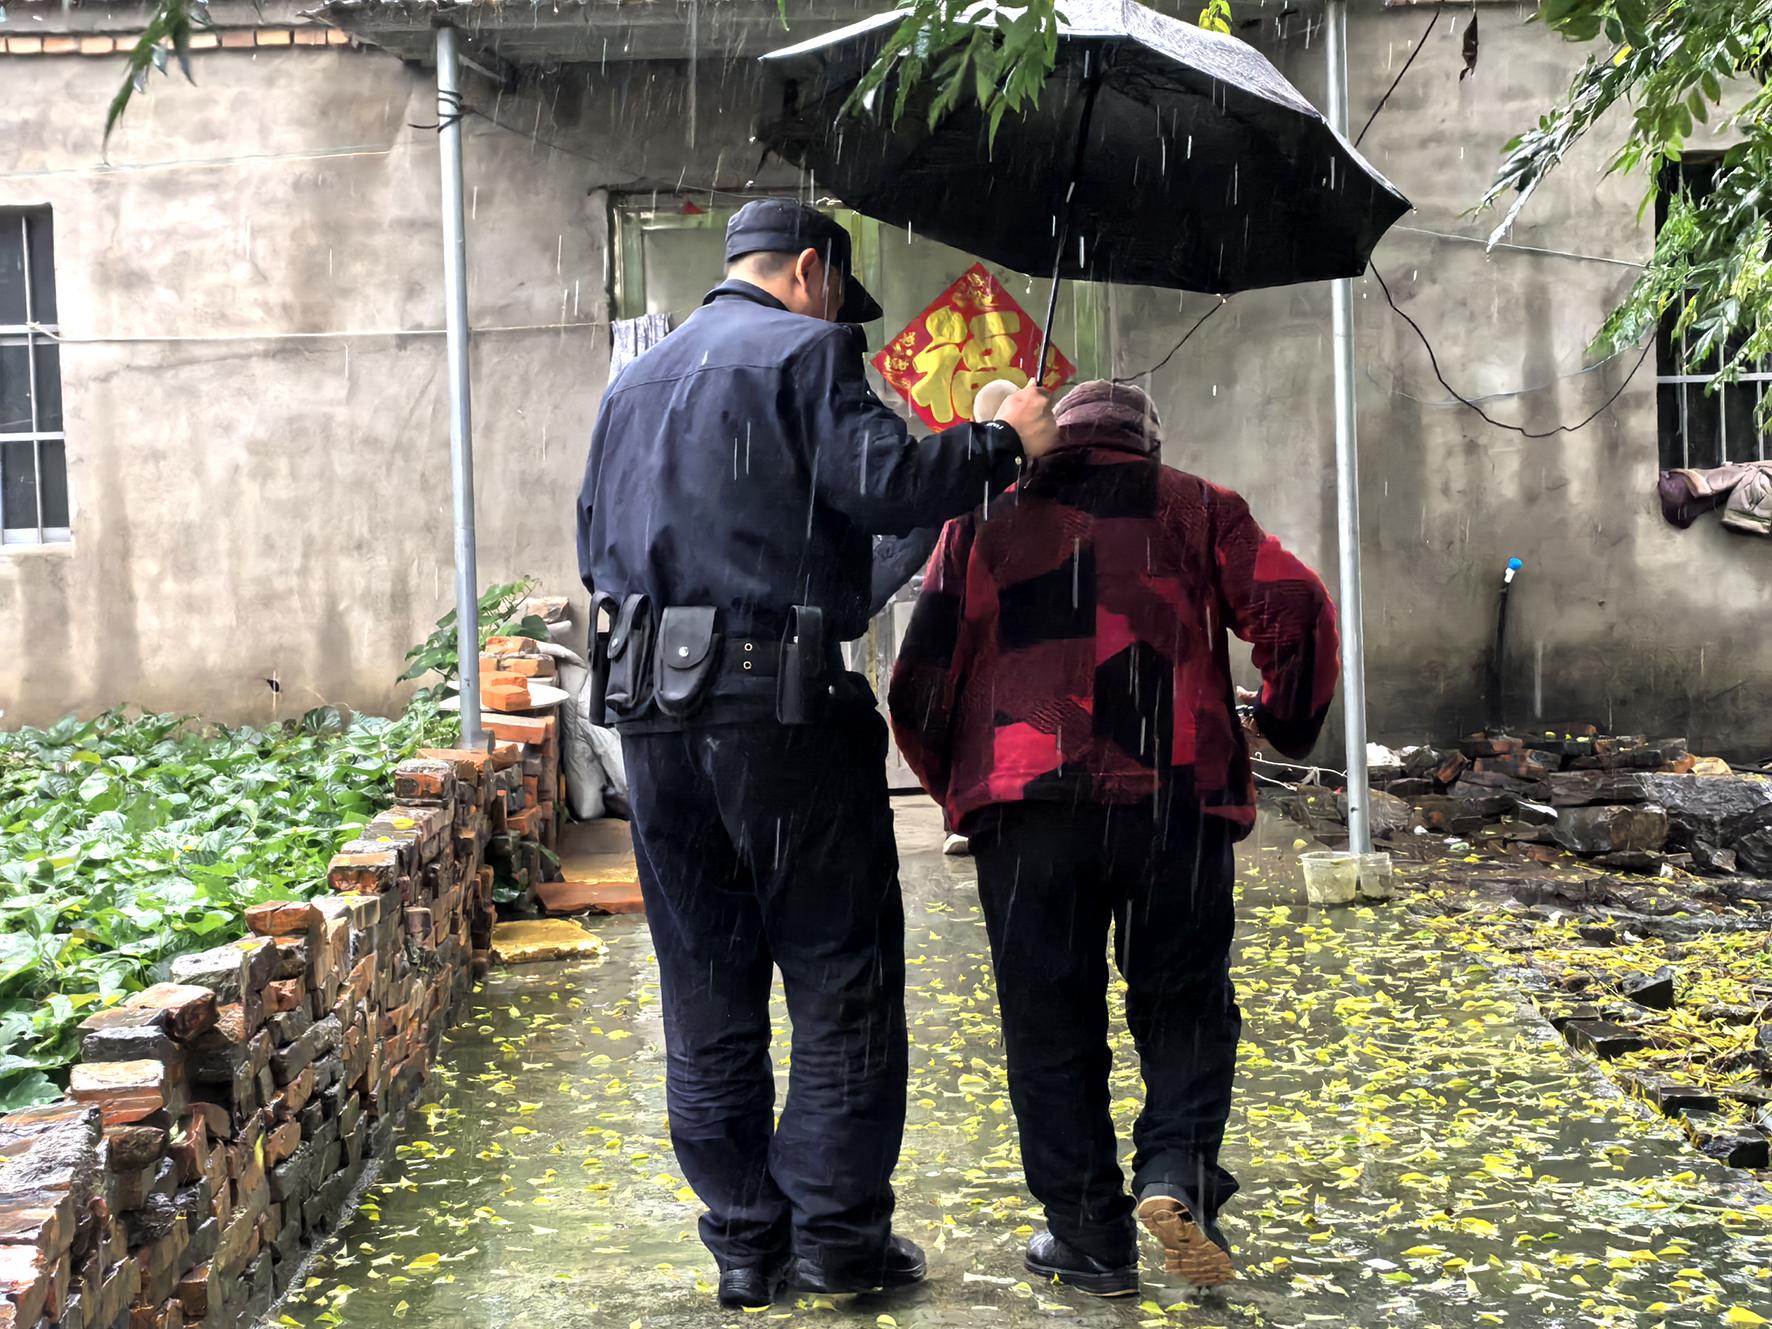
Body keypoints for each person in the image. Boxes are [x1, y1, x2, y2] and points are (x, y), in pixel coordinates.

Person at [575, 198, 1059, 1311]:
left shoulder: (631, 386)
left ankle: (746, 1244)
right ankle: (837, 1243)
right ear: (807, 270)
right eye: (839, 296)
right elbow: (887, 483)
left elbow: (597, 544)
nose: (842, 320)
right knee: (840, 977)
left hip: (650, 718)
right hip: (779, 716)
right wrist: (1001, 444)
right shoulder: (807, 351)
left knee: (705, 984)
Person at [888, 380, 1338, 1297]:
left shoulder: (984, 515)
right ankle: (1175, 1173)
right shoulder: (1198, 506)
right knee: (1184, 1002)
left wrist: (966, 790)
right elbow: (1297, 607)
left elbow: (920, 679)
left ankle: (1089, 1236)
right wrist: (1282, 721)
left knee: (1048, 1019)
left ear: (1055, 436)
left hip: (1028, 805)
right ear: (1148, 445)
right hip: (1177, 797)